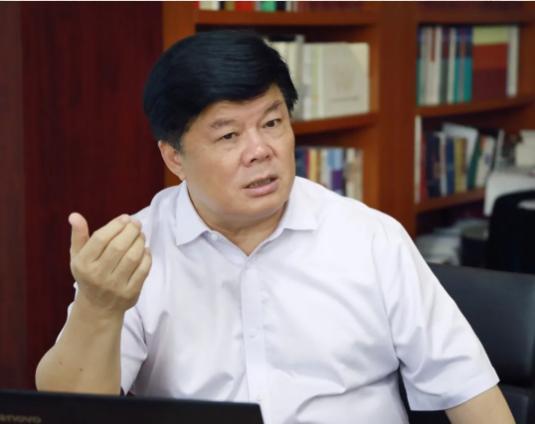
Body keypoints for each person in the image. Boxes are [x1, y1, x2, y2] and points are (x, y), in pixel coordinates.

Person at [35, 30, 514, 424]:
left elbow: (469, 391)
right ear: (174, 157)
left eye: (272, 123)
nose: (260, 150)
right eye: (229, 135)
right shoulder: (137, 252)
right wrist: (99, 308)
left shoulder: (370, 238)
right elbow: (70, 411)